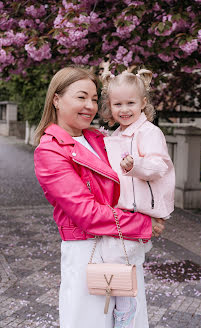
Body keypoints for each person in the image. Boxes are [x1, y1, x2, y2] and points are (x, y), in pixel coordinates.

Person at [34, 66, 164, 328]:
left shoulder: (100, 139)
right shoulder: (49, 151)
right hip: (87, 251)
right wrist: (144, 224)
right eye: (81, 97)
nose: (90, 106)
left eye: (94, 99)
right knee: (90, 321)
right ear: (57, 100)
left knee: (130, 321)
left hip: (120, 246)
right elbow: (87, 214)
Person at [100, 69, 175, 328]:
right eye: (117, 103)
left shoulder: (148, 132)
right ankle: (123, 310)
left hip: (139, 209)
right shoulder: (116, 134)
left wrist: (136, 165)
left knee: (121, 260)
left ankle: (125, 313)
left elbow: (159, 166)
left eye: (130, 103)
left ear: (143, 103)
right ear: (109, 105)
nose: (124, 109)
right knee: (120, 261)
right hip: (123, 210)